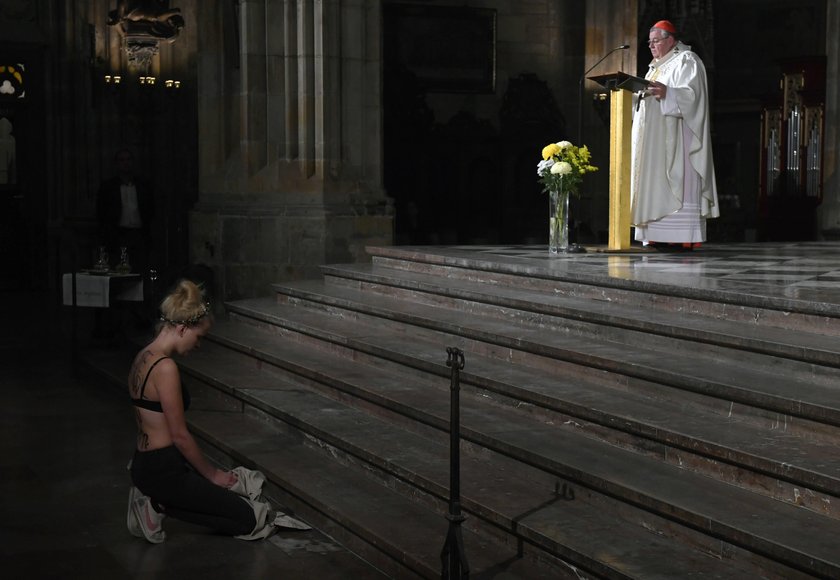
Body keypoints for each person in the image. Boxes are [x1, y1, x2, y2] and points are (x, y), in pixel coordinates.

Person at [126, 279, 277, 542]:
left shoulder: (142, 356)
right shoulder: (165, 368)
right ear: (183, 329)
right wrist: (213, 475)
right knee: (248, 519)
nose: (198, 345)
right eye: (199, 337)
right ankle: (155, 504)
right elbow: (180, 436)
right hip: (164, 470)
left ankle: (155, 498)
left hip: (144, 464)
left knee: (220, 502)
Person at [630, 20, 719, 250]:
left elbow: (693, 96)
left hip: (678, 139)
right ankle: (655, 235)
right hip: (654, 143)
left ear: (670, 39)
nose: (651, 46)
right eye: (649, 42)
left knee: (677, 180)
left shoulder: (686, 60)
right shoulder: (655, 67)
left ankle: (680, 236)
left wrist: (669, 93)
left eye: (655, 41)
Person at [96, 148, 155, 275]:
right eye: (122, 160)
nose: (125, 163)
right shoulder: (109, 187)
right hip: (118, 235)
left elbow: (150, 209)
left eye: (128, 159)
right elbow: (102, 212)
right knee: (119, 270)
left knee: (140, 269)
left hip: (139, 234)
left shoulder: (143, 186)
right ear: (117, 163)